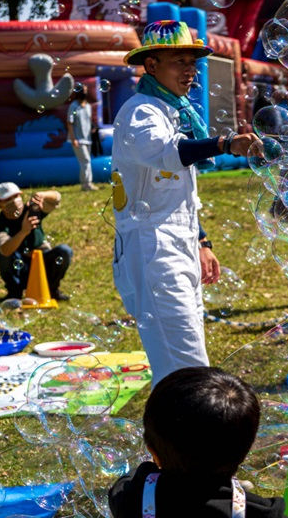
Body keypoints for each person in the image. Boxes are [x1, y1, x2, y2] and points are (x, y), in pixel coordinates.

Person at [111, 20, 258, 386]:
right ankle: (187, 436)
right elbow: (166, 154)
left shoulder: (172, 111)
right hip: (153, 251)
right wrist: (223, 144)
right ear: (151, 65)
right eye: (180, 61)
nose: (190, 70)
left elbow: (176, 194)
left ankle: (178, 436)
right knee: (188, 366)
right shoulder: (140, 111)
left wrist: (201, 241)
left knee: (185, 359)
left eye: (193, 62)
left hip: (177, 245)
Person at [109, 367, 288, 518]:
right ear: (246, 450)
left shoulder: (132, 498)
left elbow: (127, 482)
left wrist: (153, 462)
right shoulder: (264, 517)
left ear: (153, 451)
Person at [0, 182, 72, 300]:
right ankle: (14, 293)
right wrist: (24, 231)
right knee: (3, 256)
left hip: (42, 262)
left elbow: (56, 198)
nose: (14, 201)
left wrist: (43, 195)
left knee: (64, 251)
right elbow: (5, 250)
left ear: (21, 196)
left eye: (16, 196)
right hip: (20, 267)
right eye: (7, 199)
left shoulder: (33, 210)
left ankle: (52, 289)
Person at [66, 83, 98, 191]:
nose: (84, 92)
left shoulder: (88, 106)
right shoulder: (74, 106)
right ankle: (86, 184)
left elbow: (88, 122)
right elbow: (69, 122)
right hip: (78, 139)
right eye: (82, 90)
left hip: (87, 139)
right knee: (86, 160)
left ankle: (86, 184)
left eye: (86, 90)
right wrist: (73, 138)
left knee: (85, 161)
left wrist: (93, 129)